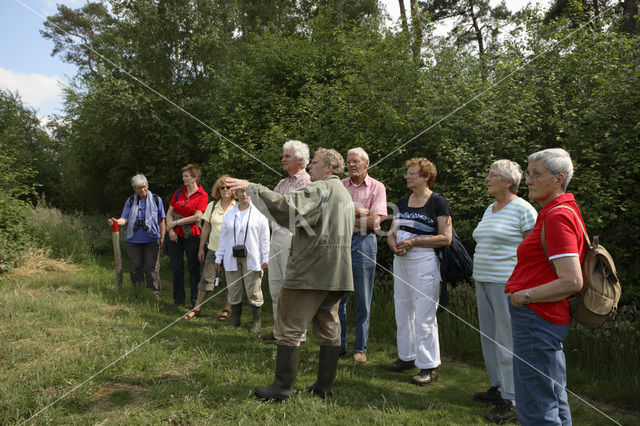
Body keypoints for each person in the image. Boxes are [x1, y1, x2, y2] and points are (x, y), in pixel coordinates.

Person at [226, 148, 354, 401]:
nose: (310, 168)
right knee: (329, 329)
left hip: (310, 271)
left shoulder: (320, 189)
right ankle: (323, 387)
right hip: (336, 274)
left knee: (288, 328)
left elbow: (287, 208)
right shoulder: (344, 194)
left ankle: (282, 388)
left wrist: (253, 187)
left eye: (315, 163)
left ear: (329, 168)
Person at [505, 148, 585, 425]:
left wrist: (523, 296)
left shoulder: (557, 216)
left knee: (536, 403)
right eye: (528, 173)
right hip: (543, 318)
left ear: (558, 179)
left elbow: (572, 280)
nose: (527, 180)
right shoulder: (554, 211)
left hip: (538, 318)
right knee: (551, 396)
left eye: (536, 174)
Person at [472, 160, 537, 424]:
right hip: (483, 281)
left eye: (492, 175)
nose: (487, 178)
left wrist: (525, 286)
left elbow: (534, 253)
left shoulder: (524, 210)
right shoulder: (491, 208)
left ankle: (513, 400)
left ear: (508, 181)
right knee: (489, 336)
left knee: (506, 341)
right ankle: (499, 387)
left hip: (507, 284)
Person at [386, 157, 452, 386]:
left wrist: (415, 242)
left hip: (424, 261)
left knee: (424, 315)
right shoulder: (403, 202)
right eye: (407, 173)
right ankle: (406, 357)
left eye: (412, 173)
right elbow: (392, 231)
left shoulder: (437, 202)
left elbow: (446, 237)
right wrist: (393, 244)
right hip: (401, 261)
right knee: (402, 309)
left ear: (426, 176)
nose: (406, 176)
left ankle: (429, 366)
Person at [339, 147, 387, 364]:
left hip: (365, 242)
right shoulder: (340, 186)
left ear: (366, 164)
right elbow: (333, 217)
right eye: (349, 162)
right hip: (340, 242)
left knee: (363, 298)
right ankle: (337, 344)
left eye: (356, 161)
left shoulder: (377, 187)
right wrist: (361, 213)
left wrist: (348, 215)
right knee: (337, 297)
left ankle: (360, 348)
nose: (351, 165)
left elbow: (375, 222)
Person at [261, 140, 312, 342]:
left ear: (300, 159)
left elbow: (292, 211)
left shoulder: (306, 182)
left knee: (292, 287)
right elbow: (270, 208)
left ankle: (296, 334)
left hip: (293, 238)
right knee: (276, 287)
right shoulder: (282, 183)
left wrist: (278, 208)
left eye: (286, 156)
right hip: (277, 236)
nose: (282, 159)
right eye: (283, 156)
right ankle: (278, 330)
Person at [215, 187, 269, 333]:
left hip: (252, 257)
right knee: (233, 289)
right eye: (241, 192)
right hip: (231, 257)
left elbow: (265, 239)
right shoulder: (230, 214)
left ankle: (256, 322)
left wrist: (266, 257)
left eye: (247, 192)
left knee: (254, 290)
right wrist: (218, 257)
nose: (244, 194)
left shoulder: (259, 214)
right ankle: (235, 320)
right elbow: (224, 237)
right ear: (236, 194)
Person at [108, 174, 165, 299]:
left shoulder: (156, 199)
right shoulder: (131, 201)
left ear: (147, 185)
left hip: (152, 239)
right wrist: (116, 222)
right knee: (135, 267)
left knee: (152, 268)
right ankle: (138, 293)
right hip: (133, 240)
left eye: (144, 187)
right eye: (139, 188)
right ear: (134, 188)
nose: (142, 190)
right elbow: (124, 218)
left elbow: (161, 219)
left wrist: (162, 236)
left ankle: (154, 295)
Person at [192, 175, 237, 319]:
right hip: (213, 248)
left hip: (232, 251)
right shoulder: (212, 206)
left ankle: (227, 309)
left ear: (233, 189)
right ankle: (197, 307)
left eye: (228, 187)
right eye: (222, 187)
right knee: (206, 278)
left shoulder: (238, 206)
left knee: (230, 280)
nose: (225, 190)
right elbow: (205, 228)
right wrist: (201, 248)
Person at [166, 164, 208, 307]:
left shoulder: (202, 195)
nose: (183, 178)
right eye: (183, 176)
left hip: (193, 236)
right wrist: (170, 230)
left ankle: (195, 302)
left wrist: (176, 222)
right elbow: (169, 213)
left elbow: (197, 217)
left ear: (195, 178)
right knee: (176, 267)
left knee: (193, 268)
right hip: (175, 236)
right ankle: (178, 300)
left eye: (186, 176)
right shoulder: (179, 192)